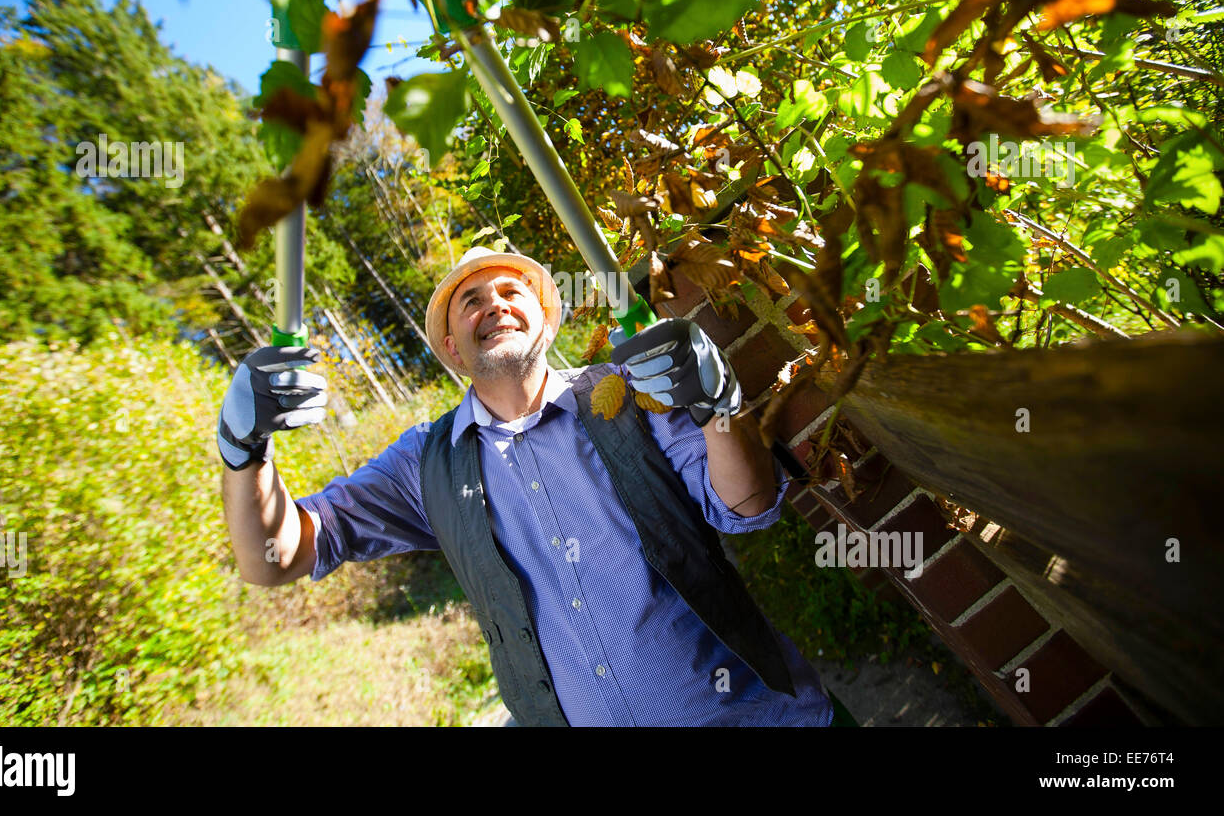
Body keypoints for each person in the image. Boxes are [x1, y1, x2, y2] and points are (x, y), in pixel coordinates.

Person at [217, 247, 837, 726]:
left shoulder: (632, 393)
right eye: (471, 302)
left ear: (546, 321)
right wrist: (244, 452)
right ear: (453, 352)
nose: (495, 304)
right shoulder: (422, 464)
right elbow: (274, 559)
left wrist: (716, 407)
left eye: (513, 291)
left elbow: (749, 507)